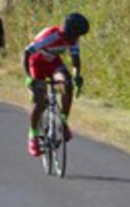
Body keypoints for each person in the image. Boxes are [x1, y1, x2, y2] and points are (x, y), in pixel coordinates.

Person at [23, 12, 89, 157]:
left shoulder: (73, 38)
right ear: (70, 31)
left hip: (53, 62)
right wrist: (30, 78)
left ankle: (62, 122)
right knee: (39, 102)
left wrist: (77, 75)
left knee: (67, 83)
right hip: (36, 63)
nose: (77, 39)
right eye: (77, 35)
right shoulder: (50, 36)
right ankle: (33, 135)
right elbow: (26, 53)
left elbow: (75, 59)